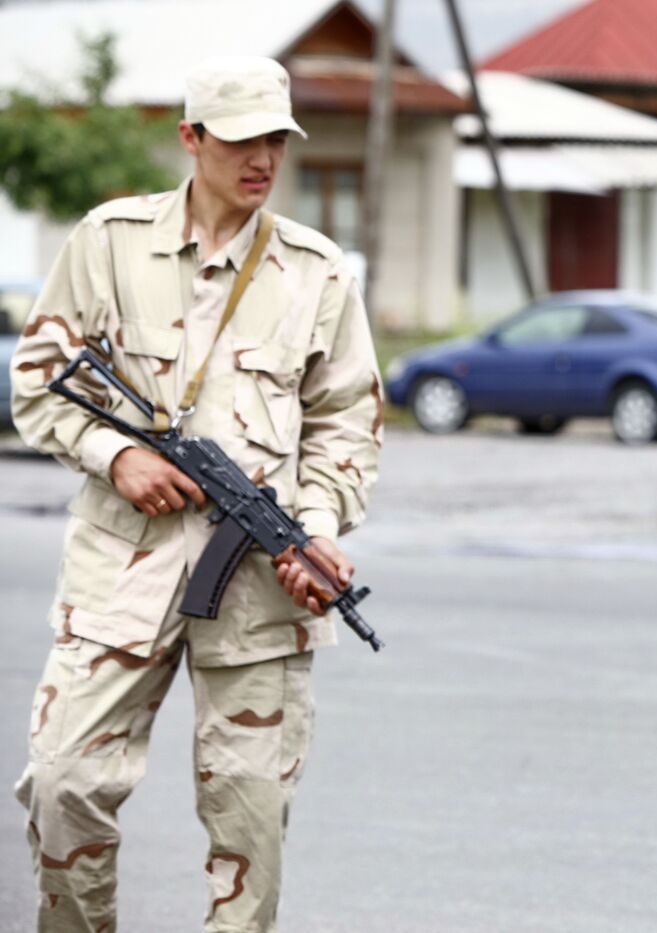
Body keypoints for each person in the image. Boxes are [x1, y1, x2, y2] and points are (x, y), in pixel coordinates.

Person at [9, 56, 381, 932]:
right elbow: (36, 381)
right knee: (63, 784)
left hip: (257, 592)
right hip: (120, 575)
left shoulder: (317, 273)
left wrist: (316, 530)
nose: (262, 158)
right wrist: (114, 454)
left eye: (275, 141)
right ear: (191, 138)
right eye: (242, 138)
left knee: (249, 822)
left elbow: (346, 425)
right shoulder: (108, 242)